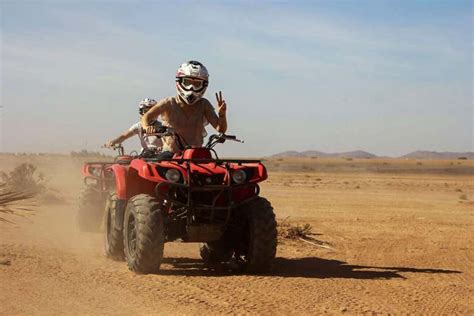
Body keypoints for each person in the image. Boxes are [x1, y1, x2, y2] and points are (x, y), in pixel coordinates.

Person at [141, 60, 227, 156]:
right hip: (171, 153)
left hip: (196, 154)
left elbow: (220, 129)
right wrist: (147, 128)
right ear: (179, 81)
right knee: (162, 165)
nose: (191, 87)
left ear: (204, 85)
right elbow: (146, 117)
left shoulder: (204, 104)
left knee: (215, 167)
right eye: (187, 82)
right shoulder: (169, 103)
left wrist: (222, 115)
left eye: (197, 84)